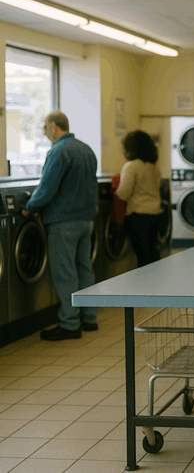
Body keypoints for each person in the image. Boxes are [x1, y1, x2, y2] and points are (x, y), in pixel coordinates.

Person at [23, 110, 98, 341]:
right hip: (87, 220)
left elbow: (47, 187)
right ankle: (89, 318)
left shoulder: (58, 151)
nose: (44, 133)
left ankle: (70, 323)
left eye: (45, 128)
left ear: (54, 127)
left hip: (63, 222)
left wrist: (30, 207)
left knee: (66, 273)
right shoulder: (86, 150)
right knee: (84, 268)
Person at [116, 130, 162, 267]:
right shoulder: (154, 167)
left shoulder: (131, 166)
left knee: (143, 255)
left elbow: (123, 193)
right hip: (155, 213)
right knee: (152, 252)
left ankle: (146, 280)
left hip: (138, 215)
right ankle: (157, 278)